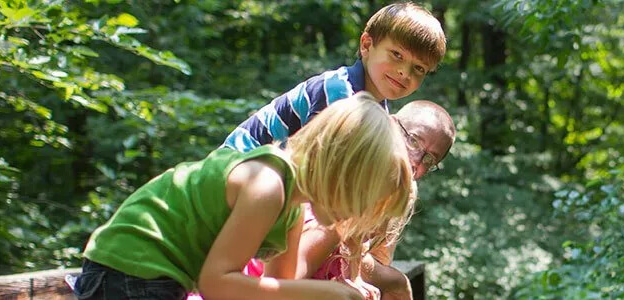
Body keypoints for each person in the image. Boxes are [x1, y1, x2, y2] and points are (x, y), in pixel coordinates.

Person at [74, 94, 414, 300]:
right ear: (340, 169)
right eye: (360, 202)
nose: (353, 216)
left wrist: (340, 289)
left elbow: (280, 287)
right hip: (129, 272)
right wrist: (330, 292)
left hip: (147, 276)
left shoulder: (290, 211)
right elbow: (216, 285)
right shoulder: (266, 186)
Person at [222, 1, 447, 152]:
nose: (404, 72)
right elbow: (316, 167)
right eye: (396, 54)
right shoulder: (339, 92)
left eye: (418, 69)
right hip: (241, 163)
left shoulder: (378, 110)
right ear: (367, 45)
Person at [292, 100, 456, 300]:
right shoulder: (326, 230)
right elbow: (282, 285)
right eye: (413, 140)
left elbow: (358, 251)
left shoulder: (400, 190)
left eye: (429, 159)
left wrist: (354, 282)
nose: (416, 159)